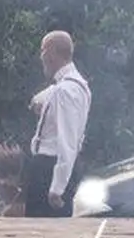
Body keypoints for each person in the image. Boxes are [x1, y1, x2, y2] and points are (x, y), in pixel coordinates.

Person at [23, 31, 91, 218]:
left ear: (51, 54)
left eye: (43, 50)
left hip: (50, 169)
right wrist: (40, 102)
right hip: (52, 167)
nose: (41, 56)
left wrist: (57, 188)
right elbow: (52, 92)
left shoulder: (66, 91)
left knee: (40, 233)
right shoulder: (74, 84)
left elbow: (67, 141)